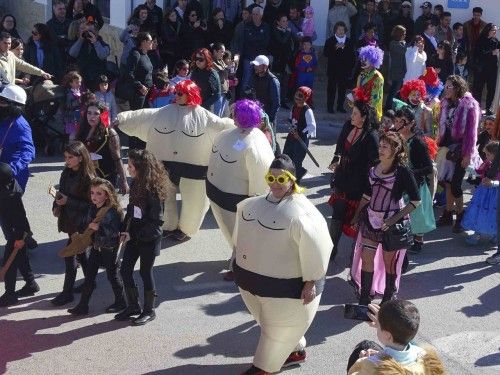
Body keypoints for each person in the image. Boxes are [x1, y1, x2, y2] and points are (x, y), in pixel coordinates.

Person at [234, 154, 332, 375]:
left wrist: (311, 280)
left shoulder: (303, 213)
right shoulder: (252, 205)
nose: (274, 184)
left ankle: (263, 367)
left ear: (292, 180)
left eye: (281, 179)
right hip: (252, 283)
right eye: (271, 177)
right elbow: (241, 233)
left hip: (287, 291)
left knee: (278, 328)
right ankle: (294, 349)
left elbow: (318, 246)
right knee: (269, 323)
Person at [115, 80, 233, 241]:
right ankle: (168, 225)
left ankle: (187, 229)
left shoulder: (203, 116)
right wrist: (121, 119)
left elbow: (222, 126)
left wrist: (240, 127)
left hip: (195, 170)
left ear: (190, 94)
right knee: (164, 198)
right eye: (175, 92)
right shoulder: (163, 112)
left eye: (179, 93)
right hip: (164, 166)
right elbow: (142, 116)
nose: (175, 96)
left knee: (195, 202)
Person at [206, 99, 274, 280]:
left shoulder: (255, 142)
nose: (232, 116)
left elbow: (261, 176)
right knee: (234, 235)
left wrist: (258, 203)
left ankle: (239, 267)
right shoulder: (228, 134)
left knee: (242, 236)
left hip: (238, 200)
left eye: (235, 114)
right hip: (221, 197)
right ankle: (238, 261)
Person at [351, 132, 420, 305]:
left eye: (385, 147)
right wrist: (356, 214)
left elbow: (415, 201)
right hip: (370, 220)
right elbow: (367, 195)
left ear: (396, 149)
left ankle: (388, 296)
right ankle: (365, 297)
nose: (380, 150)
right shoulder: (374, 167)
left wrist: (393, 220)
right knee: (367, 258)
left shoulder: (403, 172)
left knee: (389, 262)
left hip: (391, 225)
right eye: (380, 145)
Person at [114, 149, 171, 325]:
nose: (128, 168)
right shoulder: (136, 182)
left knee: (146, 272)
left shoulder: (153, 190)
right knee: (125, 270)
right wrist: (124, 229)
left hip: (149, 238)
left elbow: (156, 222)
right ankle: (133, 305)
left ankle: (149, 310)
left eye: (130, 165)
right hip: (134, 235)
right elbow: (131, 210)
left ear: (140, 167)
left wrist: (133, 234)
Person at [327, 96, 379, 261]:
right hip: (343, 178)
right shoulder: (348, 125)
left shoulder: (371, 137)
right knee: (338, 212)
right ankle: (331, 248)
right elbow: (340, 144)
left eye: (355, 114)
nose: (352, 116)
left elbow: (375, 163)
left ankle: (355, 256)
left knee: (357, 220)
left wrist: (370, 188)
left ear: (364, 118)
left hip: (359, 184)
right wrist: (336, 158)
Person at [67, 178, 125, 315]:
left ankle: (121, 301)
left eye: (99, 193)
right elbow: (87, 223)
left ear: (107, 194)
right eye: (92, 193)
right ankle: (83, 306)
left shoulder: (112, 212)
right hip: (96, 248)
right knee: (89, 277)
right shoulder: (93, 207)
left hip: (109, 249)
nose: (94, 196)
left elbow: (115, 233)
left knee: (113, 276)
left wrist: (99, 227)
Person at [51, 141, 95, 306]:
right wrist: (56, 205)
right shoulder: (66, 173)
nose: (67, 160)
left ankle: (67, 293)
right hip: (69, 220)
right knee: (82, 255)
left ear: (80, 158)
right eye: (65, 157)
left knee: (70, 255)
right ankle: (90, 282)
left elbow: (91, 205)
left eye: (70, 157)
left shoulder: (88, 178)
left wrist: (68, 202)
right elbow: (60, 192)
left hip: (81, 223)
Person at [347, 301, 445, 374]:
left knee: (364, 346)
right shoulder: (426, 358)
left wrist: (362, 362)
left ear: (388, 335)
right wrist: (384, 325)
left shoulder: (372, 366)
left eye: (379, 326)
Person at [435, 75, 480, 233]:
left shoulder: (470, 105)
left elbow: (471, 133)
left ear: (458, 88)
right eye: (445, 86)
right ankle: (448, 213)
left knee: (455, 185)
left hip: (461, 149)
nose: (445, 89)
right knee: (446, 182)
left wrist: (467, 155)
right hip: (447, 148)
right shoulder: (445, 103)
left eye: (449, 87)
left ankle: (461, 215)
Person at [395, 107, 436, 254]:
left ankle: (418, 240)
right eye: (397, 120)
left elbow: (428, 168)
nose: (398, 124)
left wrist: (411, 173)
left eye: (403, 122)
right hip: (400, 181)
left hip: (415, 183)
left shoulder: (418, 143)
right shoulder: (396, 137)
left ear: (412, 123)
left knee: (417, 214)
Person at [0, 163, 38, 307]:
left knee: (9, 263)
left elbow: (19, 219)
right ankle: (31, 284)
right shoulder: (11, 184)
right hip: (19, 231)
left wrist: (19, 239)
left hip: (16, 233)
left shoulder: (7, 197)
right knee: (21, 258)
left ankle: (10, 294)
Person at [77, 101, 128, 194]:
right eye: (89, 113)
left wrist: (124, 181)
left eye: (96, 113)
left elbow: (117, 158)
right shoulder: (82, 131)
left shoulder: (110, 133)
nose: (91, 116)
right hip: (86, 175)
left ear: (102, 116)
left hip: (106, 176)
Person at [462, 141, 499, 246]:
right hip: (483, 194)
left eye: (488, 154)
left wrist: (493, 183)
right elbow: (478, 172)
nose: (486, 157)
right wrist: (468, 168)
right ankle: (477, 233)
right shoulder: (487, 163)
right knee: (479, 212)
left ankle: (495, 234)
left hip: (495, 194)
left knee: (493, 215)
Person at [283, 86, 316, 182]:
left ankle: (295, 182)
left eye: (300, 96)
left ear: (306, 98)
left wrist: (301, 133)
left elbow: (312, 126)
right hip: (291, 137)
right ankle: (295, 174)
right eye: (296, 95)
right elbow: (292, 119)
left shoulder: (308, 111)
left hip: (301, 140)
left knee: (297, 160)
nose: (297, 98)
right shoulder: (294, 107)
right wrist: (288, 120)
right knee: (287, 157)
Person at [234, 6, 270, 92]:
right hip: (249, 57)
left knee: (260, 78)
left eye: (256, 14)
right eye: (253, 14)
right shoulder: (246, 26)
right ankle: (243, 98)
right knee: (247, 78)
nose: (254, 16)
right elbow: (243, 40)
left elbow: (266, 42)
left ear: (261, 15)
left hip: (260, 58)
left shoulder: (265, 27)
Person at [324, 21, 355, 114]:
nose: (341, 31)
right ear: (335, 31)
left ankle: (340, 106)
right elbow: (325, 53)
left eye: (342, 30)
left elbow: (352, 56)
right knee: (331, 89)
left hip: (344, 70)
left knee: (342, 89)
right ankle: (330, 107)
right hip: (333, 70)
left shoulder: (349, 41)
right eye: (339, 29)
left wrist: (350, 68)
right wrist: (335, 48)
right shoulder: (330, 40)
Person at [68, 21, 110, 89]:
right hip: (82, 78)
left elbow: (102, 55)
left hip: (97, 79)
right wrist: (81, 39)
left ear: (96, 32)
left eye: (90, 31)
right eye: (86, 31)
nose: (88, 33)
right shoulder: (81, 42)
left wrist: (95, 42)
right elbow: (72, 53)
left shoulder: (102, 44)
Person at [247, 55, 280, 138]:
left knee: (269, 142)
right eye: (255, 65)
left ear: (265, 66)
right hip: (256, 115)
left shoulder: (273, 81)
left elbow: (276, 104)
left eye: (257, 65)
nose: (255, 67)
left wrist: (269, 121)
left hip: (267, 117)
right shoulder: (254, 77)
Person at [472, 24, 499, 114]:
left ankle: (488, 109)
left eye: (496, 30)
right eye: (493, 30)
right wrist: (491, 53)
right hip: (481, 69)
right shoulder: (480, 40)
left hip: (492, 70)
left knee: (491, 89)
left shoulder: (495, 40)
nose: (495, 32)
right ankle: (476, 108)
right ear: (488, 30)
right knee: (478, 89)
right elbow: (478, 55)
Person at [270, 13, 293, 108]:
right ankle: (276, 101)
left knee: (285, 82)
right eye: (283, 21)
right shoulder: (275, 31)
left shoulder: (288, 31)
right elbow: (282, 41)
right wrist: (287, 32)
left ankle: (283, 101)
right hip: (278, 60)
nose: (285, 23)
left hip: (286, 61)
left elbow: (291, 45)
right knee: (277, 82)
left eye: (286, 21)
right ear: (278, 22)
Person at [356, 45, 384, 121]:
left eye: (366, 59)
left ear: (373, 61)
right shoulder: (362, 74)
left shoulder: (377, 77)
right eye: (362, 58)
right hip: (361, 111)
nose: (363, 61)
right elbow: (357, 90)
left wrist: (364, 111)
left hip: (371, 113)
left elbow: (375, 99)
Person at [385, 25, 407, 112]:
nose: (405, 36)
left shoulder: (400, 43)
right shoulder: (393, 43)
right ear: (399, 34)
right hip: (396, 71)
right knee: (393, 91)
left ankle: (393, 106)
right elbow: (404, 51)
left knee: (397, 91)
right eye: (403, 34)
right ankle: (388, 107)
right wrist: (405, 44)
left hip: (400, 71)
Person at [46, 1, 72, 67]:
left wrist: (62, 38)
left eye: (64, 9)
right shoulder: (49, 25)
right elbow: (55, 41)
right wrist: (66, 38)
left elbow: (73, 39)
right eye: (60, 9)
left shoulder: (70, 23)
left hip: (70, 57)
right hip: (56, 58)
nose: (62, 11)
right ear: (54, 11)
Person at [61, 71, 83, 141]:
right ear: (71, 83)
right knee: (72, 135)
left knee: (77, 133)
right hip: (71, 118)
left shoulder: (78, 91)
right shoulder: (69, 93)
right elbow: (69, 105)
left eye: (80, 82)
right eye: (76, 82)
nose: (79, 84)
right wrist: (79, 101)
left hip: (78, 117)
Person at [159, 7, 181, 73]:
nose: (174, 17)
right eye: (172, 16)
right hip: (168, 52)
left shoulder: (178, 24)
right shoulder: (165, 26)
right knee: (170, 70)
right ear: (168, 17)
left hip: (177, 51)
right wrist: (177, 39)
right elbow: (168, 38)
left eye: (175, 15)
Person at [211, 43, 230, 117]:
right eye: (221, 51)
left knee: (221, 116)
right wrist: (227, 68)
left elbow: (227, 74)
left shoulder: (221, 61)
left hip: (224, 91)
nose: (223, 54)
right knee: (216, 116)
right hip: (218, 92)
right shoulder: (211, 62)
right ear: (215, 51)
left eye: (224, 52)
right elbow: (220, 75)